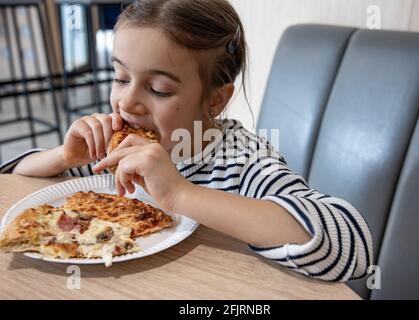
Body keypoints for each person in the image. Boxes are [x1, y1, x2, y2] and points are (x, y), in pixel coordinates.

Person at [0, 0, 373, 282]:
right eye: (120, 77)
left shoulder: (241, 159)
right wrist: (63, 157)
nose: (127, 102)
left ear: (215, 99)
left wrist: (181, 195)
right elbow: (16, 175)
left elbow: (351, 245)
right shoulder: (112, 148)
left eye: (158, 89)